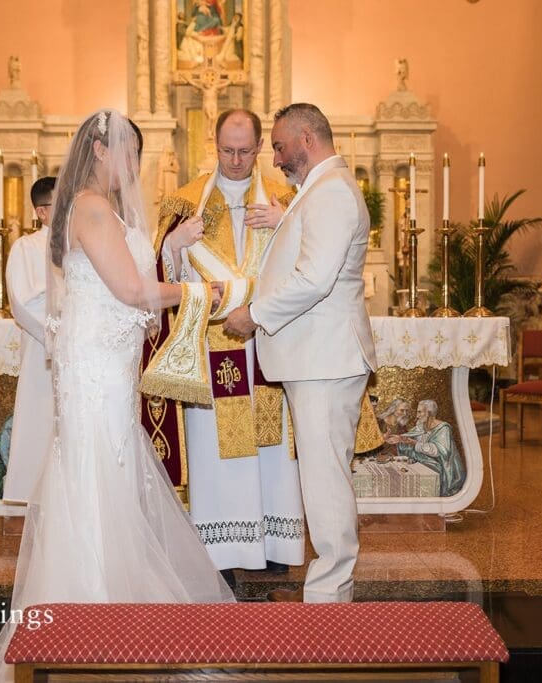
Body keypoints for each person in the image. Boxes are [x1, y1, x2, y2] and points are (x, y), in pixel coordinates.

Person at [0, 110, 234, 683]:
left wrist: (169, 260)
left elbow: (123, 283)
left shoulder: (94, 208)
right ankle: (90, 609)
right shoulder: (92, 208)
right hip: (96, 367)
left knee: (107, 470)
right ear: (99, 149)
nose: (133, 167)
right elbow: (131, 290)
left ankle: (105, 609)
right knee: (97, 472)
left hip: (104, 363)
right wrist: (201, 293)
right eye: (128, 153)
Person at [224, 103, 377, 603]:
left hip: (325, 359)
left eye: (280, 146)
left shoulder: (331, 194)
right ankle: (329, 589)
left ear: (306, 139)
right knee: (322, 476)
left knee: (326, 480)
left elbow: (313, 279)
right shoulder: (317, 192)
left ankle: (330, 597)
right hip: (316, 357)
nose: (276, 157)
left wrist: (256, 313)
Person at [152, 109, 303, 586]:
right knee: (218, 456)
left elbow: (313, 264)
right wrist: (173, 244)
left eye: (245, 151)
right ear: (212, 145)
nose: (236, 161)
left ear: (260, 147)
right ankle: (221, 553)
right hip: (212, 345)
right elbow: (161, 282)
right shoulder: (184, 202)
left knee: (273, 448)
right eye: (226, 151)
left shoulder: (287, 199)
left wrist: (289, 223)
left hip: (266, 340)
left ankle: (276, 547)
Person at [2, 177, 57, 504]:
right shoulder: (26, 247)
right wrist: (60, 333)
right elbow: (23, 301)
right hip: (43, 350)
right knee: (40, 416)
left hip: (80, 347)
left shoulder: (82, 243)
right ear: (41, 212)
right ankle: (31, 495)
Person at [388, 399, 466, 497]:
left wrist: (414, 443)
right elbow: (409, 436)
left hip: (440, 467)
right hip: (424, 462)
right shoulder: (421, 426)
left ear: (429, 413)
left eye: (420, 412)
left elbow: (440, 451)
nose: (417, 416)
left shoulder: (443, 429)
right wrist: (399, 439)